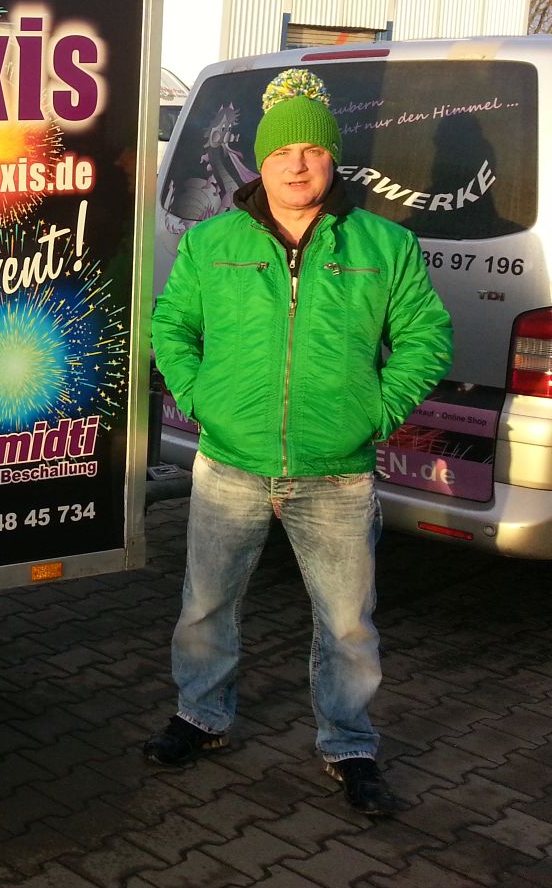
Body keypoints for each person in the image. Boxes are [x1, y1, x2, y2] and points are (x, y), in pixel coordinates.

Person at [146, 69, 452, 816]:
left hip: (337, 473)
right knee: (206, 606)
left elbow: (426, 338)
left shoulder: (385, 244)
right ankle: (200, 716)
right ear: (261, 160)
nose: (297, 164)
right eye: (282, 151)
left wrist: (376, 411)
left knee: (347, 624)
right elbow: (171, 327)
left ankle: (349, 743)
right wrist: (200, 398)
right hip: (231, 465)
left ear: (331, 157)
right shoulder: (211, 241)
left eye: (312, 150)